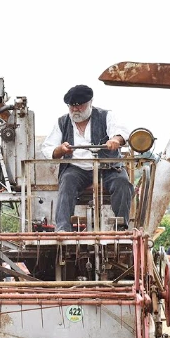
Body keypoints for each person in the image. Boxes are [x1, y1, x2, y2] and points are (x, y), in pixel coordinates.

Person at [40, 84, 133, 232]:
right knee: (67, 181)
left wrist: (116, 140)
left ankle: (121, 228)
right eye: (72, 106)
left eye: (80, 106)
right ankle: (63, 229)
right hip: (78, 169)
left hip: (107, 167)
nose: (76, 109)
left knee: (122, 183)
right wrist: (60, 150)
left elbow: (121, 132)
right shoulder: (62, 122)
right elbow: (47, 147)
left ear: (90, 103)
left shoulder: (106, 116)